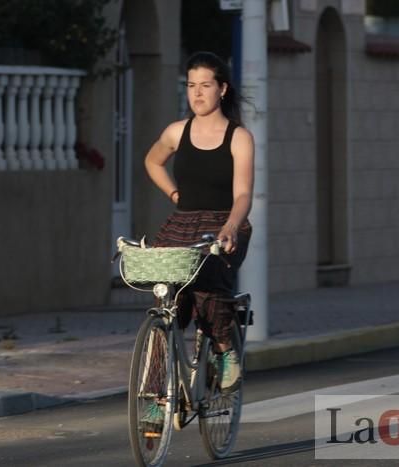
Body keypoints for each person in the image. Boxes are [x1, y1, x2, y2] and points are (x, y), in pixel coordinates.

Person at [145, 51, 254, 396]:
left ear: (222, 89)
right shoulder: (177, 132)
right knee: (167, 303)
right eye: (191, 85)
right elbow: (152, 161)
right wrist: (175, 195)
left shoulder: (239, 137)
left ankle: (224, 350)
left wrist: (231, 227)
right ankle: (154, 398)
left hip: (224, 224)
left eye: (205, 85)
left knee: (208, 286)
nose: (197, 93)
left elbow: (243, 195)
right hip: (182, 224)